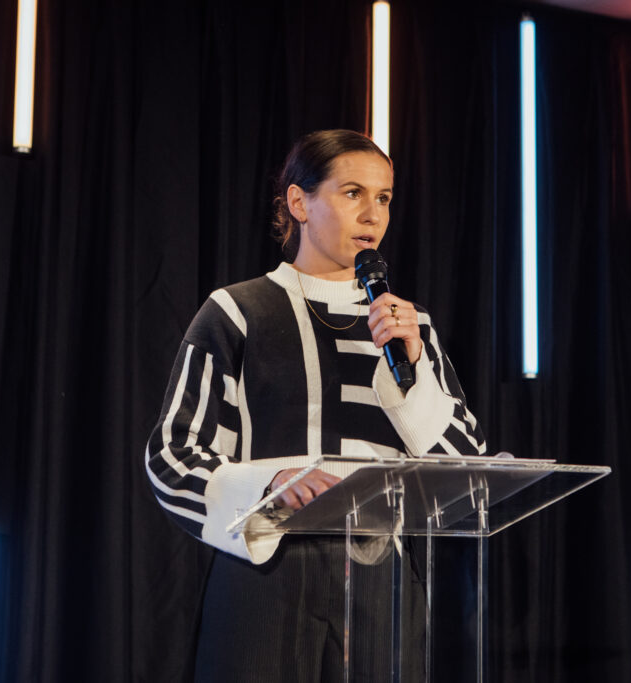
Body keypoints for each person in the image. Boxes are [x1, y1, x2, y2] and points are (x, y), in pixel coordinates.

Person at [145, 129, 486, 681]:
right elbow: (173, 454)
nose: (373, 214)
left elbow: (466, 467)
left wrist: (413, 374)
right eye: (352, 193)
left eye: (384, 197)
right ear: (299, 203)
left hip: (381, 578)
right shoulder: (238, 311)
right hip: (267, 577)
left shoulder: (409, 325)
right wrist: (268, 486)